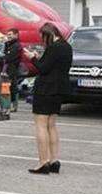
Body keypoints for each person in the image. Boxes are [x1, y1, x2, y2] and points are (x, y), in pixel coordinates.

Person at [26, 23, 72, 174]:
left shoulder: (53, 48)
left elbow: (43, 69)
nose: (43, 41)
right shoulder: (66, 46)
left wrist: (33, 58)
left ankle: (43, 162)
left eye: (43, 38)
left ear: (48, 34)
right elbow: (57, 66)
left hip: (46, 89)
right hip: (60, 89)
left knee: (41, 125)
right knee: (51, 125)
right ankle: (54, 160)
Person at [0, 28, 23, 119]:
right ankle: (2, 110)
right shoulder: (8, 45)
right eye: (7, 34)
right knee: (0, 92)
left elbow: (7, 58)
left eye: (10, 34)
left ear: (16, 35)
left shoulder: (16, 46)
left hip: (7, 73)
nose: (8, 36)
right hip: (2, 72)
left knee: (5, 92)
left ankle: (6, 112)